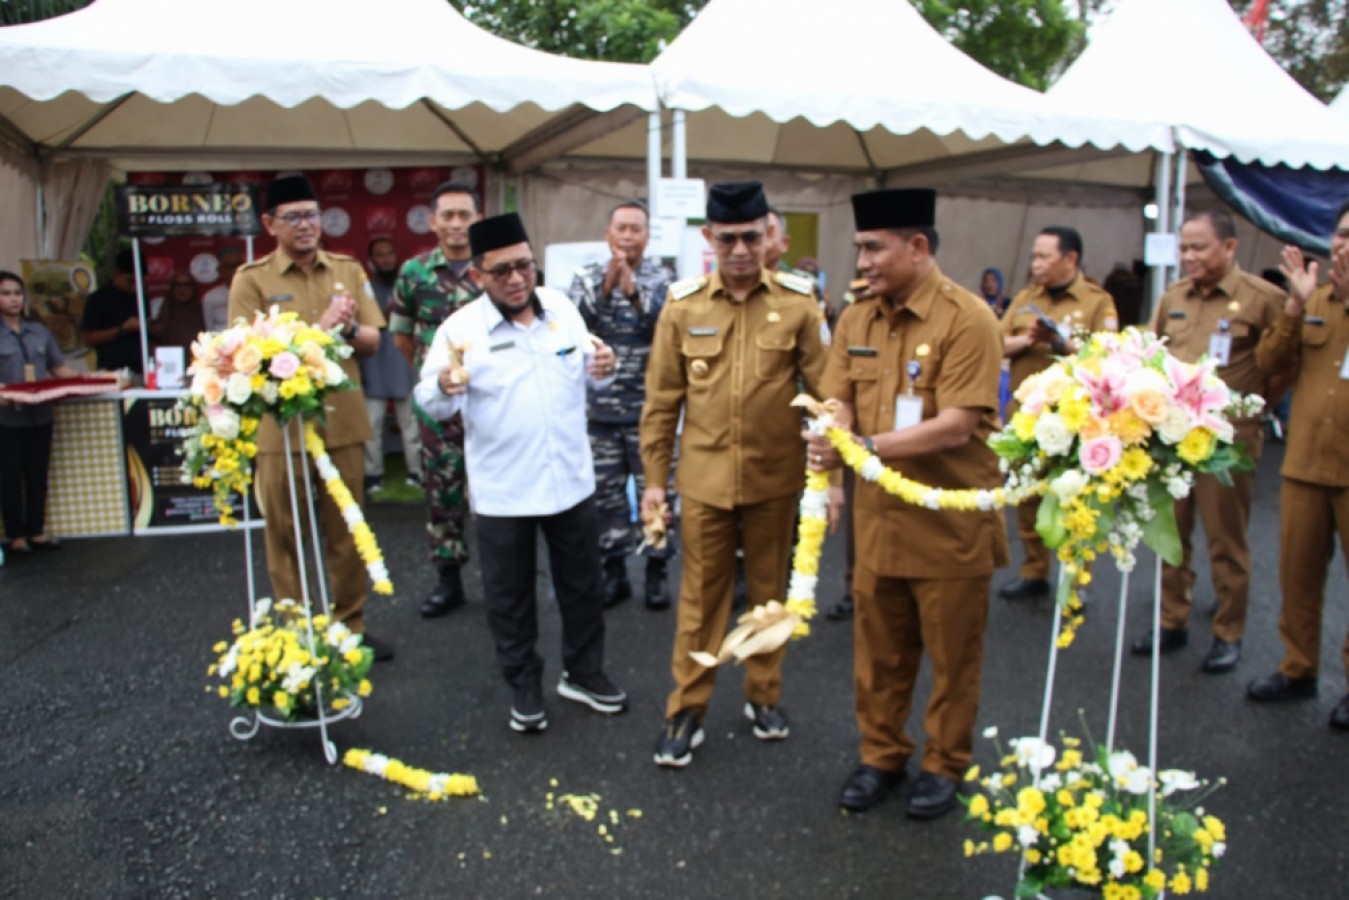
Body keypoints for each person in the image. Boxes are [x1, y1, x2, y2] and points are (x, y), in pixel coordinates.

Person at [804, 187, 1007, 820]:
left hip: (949, 524)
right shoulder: (857, 318)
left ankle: (945, 763)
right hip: (881, 524)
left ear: (917, 247)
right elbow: (837, 394)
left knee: (952, 659)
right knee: (879, 653)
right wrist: (830, 427)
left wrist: (859, 446)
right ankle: (881, 755)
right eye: (859, 248)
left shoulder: (968, 317)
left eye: (874, 248)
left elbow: (958, 424)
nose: (861, 261)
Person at [413, 212, 627, 735]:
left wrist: (606, 369)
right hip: (505, 490)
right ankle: (524, 685)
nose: (515, 279)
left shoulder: (561, 310)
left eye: (524, 266)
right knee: (510, 598)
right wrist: (443, 383)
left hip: (570, 481)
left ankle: (583, 672)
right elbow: (429, 402)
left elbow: (589, 378)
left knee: (583, 586)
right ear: (480, 276)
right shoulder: (459, 329)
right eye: (501, 270)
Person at [641, 181, 830, 767]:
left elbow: (827, 398)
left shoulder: (800, 304)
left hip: (776, 480)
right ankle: (687, 709)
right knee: (701, 600)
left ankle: (763, 695)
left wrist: (834, 481)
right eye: (729, 239)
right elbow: (660, 403)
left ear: (770, 235)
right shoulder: (683, 305)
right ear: (709, 238)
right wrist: (653, 483)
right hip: (703, 482)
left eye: (752, 236)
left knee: (772, 595)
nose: (742, 250)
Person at [227, 174, 392, 661]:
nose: (306, 226)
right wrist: (319, 331)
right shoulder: (252, 279)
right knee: (285, 535)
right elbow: (247, 357)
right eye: (294, 217)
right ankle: (296, 635)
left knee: (346, 531)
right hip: (281, 431)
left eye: (312, 215)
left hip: (341, 423)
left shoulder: (345, 268)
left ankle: (349, 626)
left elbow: (372, 341)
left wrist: (344, 329)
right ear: (269, 223)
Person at [1132, 209, 1284, 674]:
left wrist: (1252, 412)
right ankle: (1171, 620)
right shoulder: (1174, 296)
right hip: (1172, 440)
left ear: (1230, 247)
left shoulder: (1262, 299)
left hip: (1226, 440)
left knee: (1226, 539)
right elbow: (1151, 355)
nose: (1189, 256)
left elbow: (1283, 365)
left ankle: (1228, 632)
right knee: (1169, 533)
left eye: (1199, 247)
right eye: (1183, 248)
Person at [1247, 198, 1349, 729]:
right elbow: (1269, 363)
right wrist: (1293, 306)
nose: (1342, 247)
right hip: (1305, 464)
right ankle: (1298, 666)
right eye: (1341, 235)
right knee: (1297, 575)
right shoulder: (1315, 300)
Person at [566, 200, 677, 610]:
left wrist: (632, 292)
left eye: (636, 228)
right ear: (607, 234)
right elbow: (572, 325)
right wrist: (606, 289)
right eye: (621, 228)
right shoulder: (585, 277)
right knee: (606, 496)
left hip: (650, 411)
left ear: (647, 236)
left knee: (658, 494)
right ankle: (614, 573)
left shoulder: (664, 279)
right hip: (599, 412)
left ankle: (656, 572)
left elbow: (668, 327)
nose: (628, 236)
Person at [998, 227, 1118, 603]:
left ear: (1070, 259)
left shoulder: (1098, 301)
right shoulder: (1023, 299)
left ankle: (1077, 577)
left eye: (1044, 257)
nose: (1035, 265)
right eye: (1033, 256)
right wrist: (1030, 340)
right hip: (1027, 418)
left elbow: (1107, 357)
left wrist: (1062, 344)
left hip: (1075, 420)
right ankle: (1034, 570)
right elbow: (998, 341)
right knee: (1028, 496)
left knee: (1075, 500)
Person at [390, 182, 481, 618]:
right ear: (433, 221)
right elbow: (402, 337)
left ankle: (506, 581)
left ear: (477, 219)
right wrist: (431, 377)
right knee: (443, 494)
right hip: (439, 405)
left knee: (499, 494)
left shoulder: (494, 267)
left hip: (490, 405)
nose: (457, 224)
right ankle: (449, 581)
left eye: (464, 214)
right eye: (448, 215)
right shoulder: (415, 272)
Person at [0, 271, 79, 555]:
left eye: (17, 293)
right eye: (6, 293)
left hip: (40, 415)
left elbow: (59, 368)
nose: (12, 299)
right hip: (7, 418)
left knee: (38, 473)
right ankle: (15, 535)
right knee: (9, 476)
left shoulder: (39, 331)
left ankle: (36, 530)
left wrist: (95, 378)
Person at [359, 237, 421, 494]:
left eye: (389, 253)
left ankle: (417, 472)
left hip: (404, 364)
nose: (386, 259)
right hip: (374, 365)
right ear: (372, 261)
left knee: (412, 425)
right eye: (380, 255)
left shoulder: (407, 287)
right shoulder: (366, 290)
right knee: (371, 426)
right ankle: (373, 475)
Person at [80, 248, 145, 375]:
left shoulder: (141, 298)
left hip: (141, 368)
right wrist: (123, 329)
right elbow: (88, 339)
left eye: (139, 281)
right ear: (117, 274)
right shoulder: (98, 299)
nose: (134, 286)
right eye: (130, 281)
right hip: (110, 368)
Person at [149, 271, 206, 351]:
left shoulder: (202, 312)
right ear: (172, 288)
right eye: (178, 285)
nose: (183, 289)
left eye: (187, 284)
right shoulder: (166, 312)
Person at [203, 245, 244, 332]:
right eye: (229, 266)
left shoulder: (254, 292)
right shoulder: (210, 297)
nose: (234, 270)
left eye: (237, 265)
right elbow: (209, 330)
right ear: (220, 270)